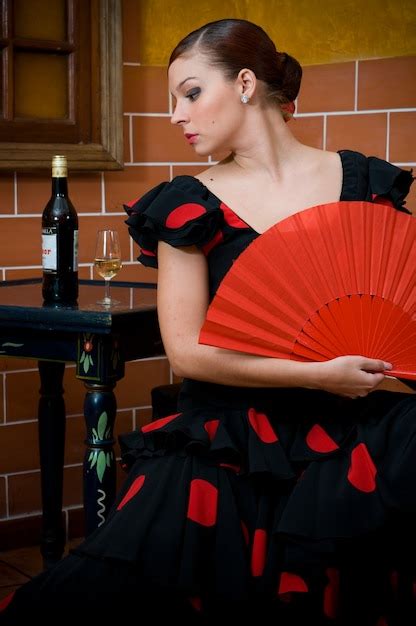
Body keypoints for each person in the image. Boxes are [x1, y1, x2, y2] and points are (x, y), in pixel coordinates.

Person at [1, 18, 415, 626]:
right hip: (231, 427)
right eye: (174, 99)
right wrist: (316, 373)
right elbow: (188, 353)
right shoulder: (187, 204)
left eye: (190, 93)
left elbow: (393, 296)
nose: (176, 114)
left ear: (246, 83)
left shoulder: (366, 185)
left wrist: (355, 373)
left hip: (352, 415)